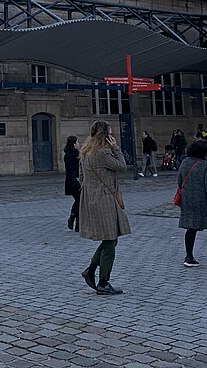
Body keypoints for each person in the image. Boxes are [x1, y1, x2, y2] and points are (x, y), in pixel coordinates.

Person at [78, 120, 131, 295]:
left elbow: (81, 177)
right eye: (110, 134)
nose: (112, 136)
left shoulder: (86, 152)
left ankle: (91, 270)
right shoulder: (103, 153)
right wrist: (116, 148)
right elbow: (122, 166)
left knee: (110, 239)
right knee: (110, 240)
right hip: (105, 199)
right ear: (105, 136)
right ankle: (103, 281)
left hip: (91, 199)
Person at [63, 136, 81, 230]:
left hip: (70, 181)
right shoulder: (76, 154)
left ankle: (73, 218)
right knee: (79, 202)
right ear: (74, 144)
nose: (79, 144)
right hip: (77, 180)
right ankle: (77, 223)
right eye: (77, 142)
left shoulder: (67, 154)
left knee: (78, 201)